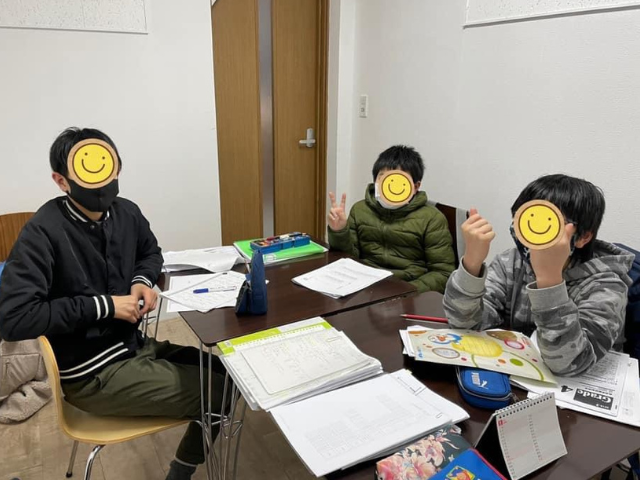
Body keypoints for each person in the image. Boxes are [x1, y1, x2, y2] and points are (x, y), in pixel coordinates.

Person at [0, 127, 224, 480]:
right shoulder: (42, 231)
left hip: (134, 346)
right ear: (61, 180)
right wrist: (105, 306)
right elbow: (14, 318)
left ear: (117, 167)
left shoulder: (126, 213)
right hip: (92, 374)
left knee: (229, 373)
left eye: (108, 165)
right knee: (220, 392)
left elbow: (150, 253)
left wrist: (142, 281)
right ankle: (181, 472)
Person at [443, 174, 634, 376]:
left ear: (583, 237)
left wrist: (549, 280)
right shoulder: (511, 262)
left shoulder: (606, 284)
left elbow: (570, 363)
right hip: (515, 374)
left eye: (547, 223)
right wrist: (472, 262)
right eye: (526, 219)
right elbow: (466, 324)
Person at [327, 145, 455, 293]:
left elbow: (443, 273)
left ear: (415, 186)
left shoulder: (432, 219)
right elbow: (349, 258)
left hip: (408, 288)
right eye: (383, 178)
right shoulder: (360, 209)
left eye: (399, 180)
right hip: (365, 286)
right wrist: (339, 231)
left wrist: (407, 291)